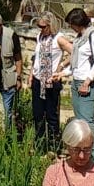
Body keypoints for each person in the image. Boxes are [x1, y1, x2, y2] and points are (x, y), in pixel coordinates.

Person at [64, 8, 94, 160]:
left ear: (78, 23)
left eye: (71, 24)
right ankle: (83, 155)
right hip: (77, 81)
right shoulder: (80, 36)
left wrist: (87, 81)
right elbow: (78, 62)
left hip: (87, 83)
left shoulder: (93, 36)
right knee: (79, 121)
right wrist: (63, 73)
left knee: (87, 122)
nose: (70, 27)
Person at [29, 12, 68, 148]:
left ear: (50, 25)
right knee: (38, 114)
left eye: (43, 26)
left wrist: (61, 67)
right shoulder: (40, 37)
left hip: (51, 80)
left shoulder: (59, 38)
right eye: (39, 26)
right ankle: (39, 144)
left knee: (51, 114)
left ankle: (53, 146)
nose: (41, 29)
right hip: (38, 79)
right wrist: (30, 75)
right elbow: (36, 57)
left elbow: (74, 52)